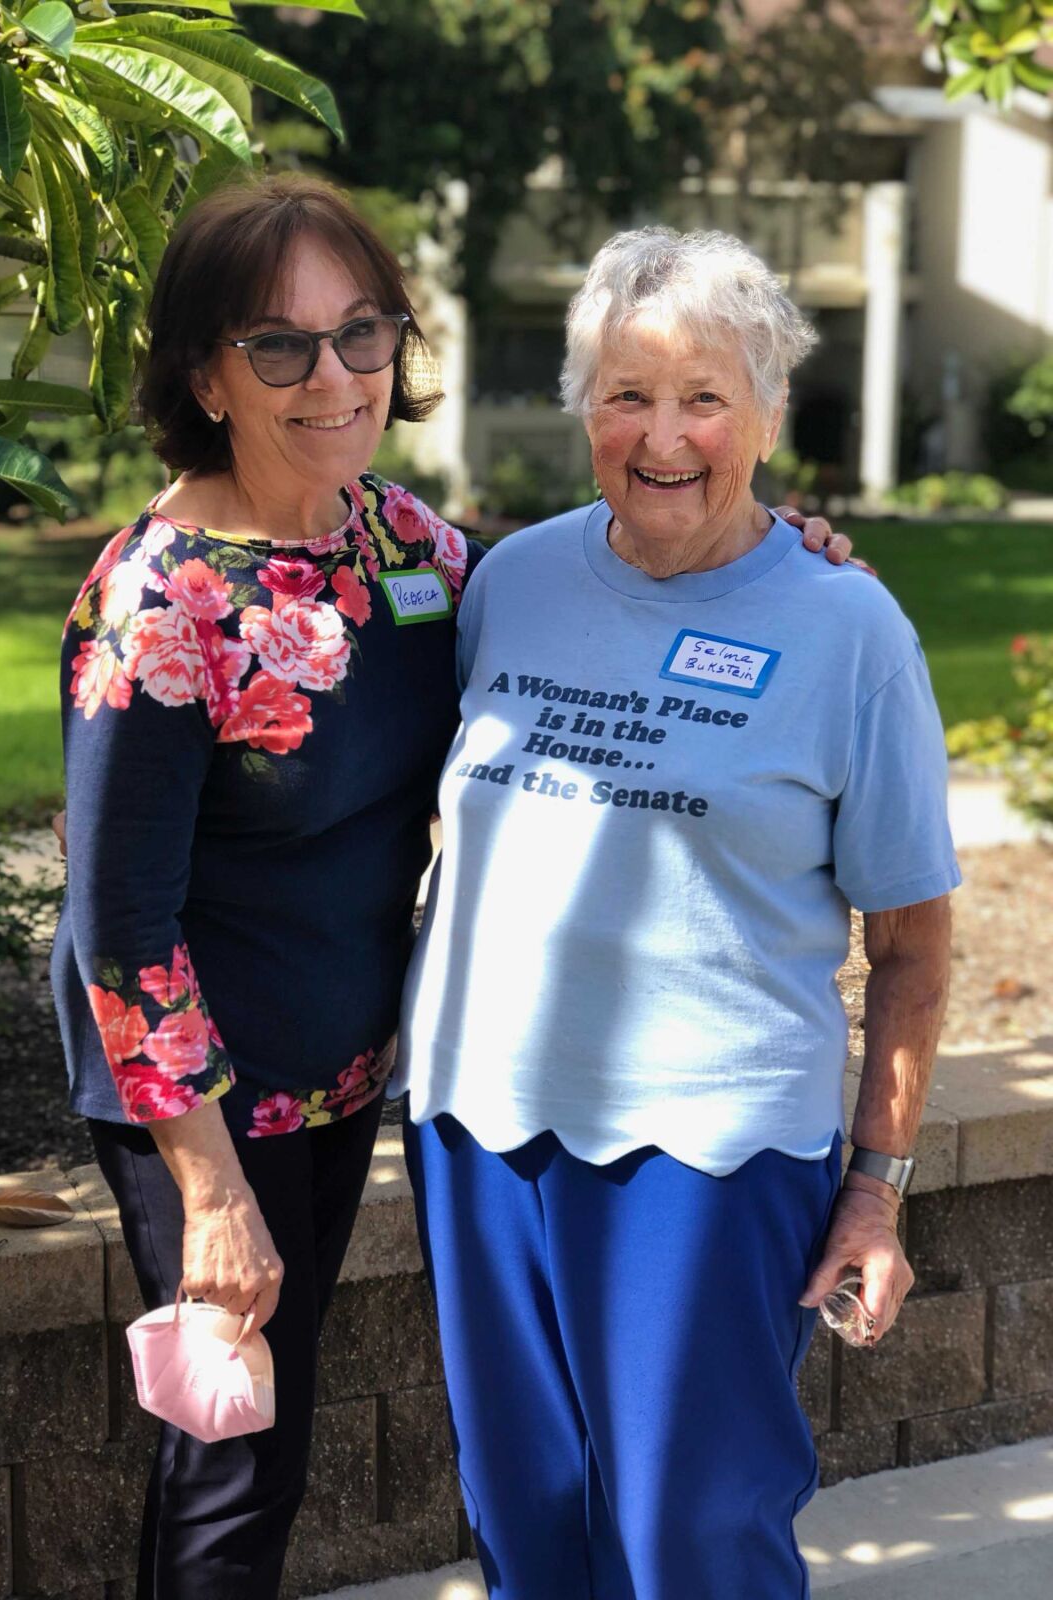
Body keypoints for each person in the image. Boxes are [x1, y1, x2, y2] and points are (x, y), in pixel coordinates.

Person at [51, 175, 856, 1600]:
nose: (335, 376)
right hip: (209, 1102)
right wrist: (212, 1191)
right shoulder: (156, 607)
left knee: (272, 1437)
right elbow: (119, 934)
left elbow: (579, 605)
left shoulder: (397, 545)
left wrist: (767, 548)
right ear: (205, 373)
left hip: (349, 1072)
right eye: (280, 345)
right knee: (233, 1460)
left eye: (363, 333)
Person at [397, 226, 958, 1599]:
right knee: (524, 1525)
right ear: (586, 405)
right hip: (478, 1128)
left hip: (706, 1154)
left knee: (685, 1540)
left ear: (766, 415)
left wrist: (875, 1193)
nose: (663, 437)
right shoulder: (509, 583)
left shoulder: (849, 630)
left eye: (705, 397)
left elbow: (914, 944)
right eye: (627, 394)